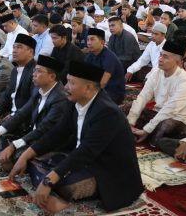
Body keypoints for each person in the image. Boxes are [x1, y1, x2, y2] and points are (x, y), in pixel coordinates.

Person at [8, 61, 144, 213]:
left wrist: (48, 181)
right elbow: (57, 133)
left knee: (63, 185)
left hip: (107, 169)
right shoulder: (74, 101)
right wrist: (25, 156)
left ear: (88, 88)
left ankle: (64, 201)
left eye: (71, 83)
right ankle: (54, 193)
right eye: (67, 81)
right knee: (30, 160)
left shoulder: (107, 112)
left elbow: (87, 151)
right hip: (81, 158)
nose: (65, 87)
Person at [0, 55, 71, 170]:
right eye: (34, 70)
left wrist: (14, 145)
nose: (34, 74)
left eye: (38, 71)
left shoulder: (60, 99)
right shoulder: (38, 89)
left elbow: (44, 129)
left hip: (47, 142)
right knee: (3, 136)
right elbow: (21, 113)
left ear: (52, 76)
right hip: (33, 134)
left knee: (16, 153)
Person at [127, 40, 186, 147]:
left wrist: (147, 129)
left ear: (178, 62)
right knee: (126, 109)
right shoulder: (157, 73)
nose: (160, 59)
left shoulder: (185, 81)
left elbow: (170, 109)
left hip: (181, 120)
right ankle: (134, 133)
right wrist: (130, 122)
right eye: (160, 55)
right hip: (159, 114)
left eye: (165, 57)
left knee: (165, 126)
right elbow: (143, 97)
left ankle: (147, 137)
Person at [0, 34, 37, 125]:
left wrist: (13, 116)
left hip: (24, 118)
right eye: (14, 47)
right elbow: (7, 96)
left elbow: (33, 102)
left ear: (30, 52)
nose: (14, 51)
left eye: (19, 47)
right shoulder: (15, 70)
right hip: (11, 113)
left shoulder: (35, 72)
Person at [84, 28, 126, 104]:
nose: (89, 43)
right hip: (97, 88)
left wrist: (87, 92)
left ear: (102, 42)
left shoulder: (109, 57)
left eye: (92, 39)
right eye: (88, 40)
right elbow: (85, 76)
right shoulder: (89, 56)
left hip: (112, 92)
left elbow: (103, 83)